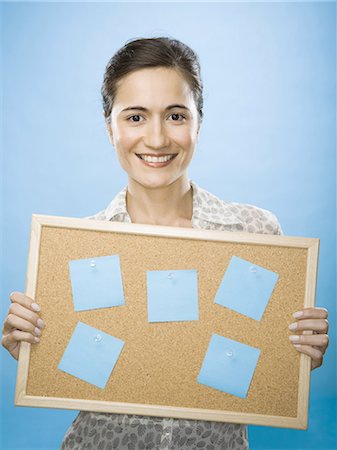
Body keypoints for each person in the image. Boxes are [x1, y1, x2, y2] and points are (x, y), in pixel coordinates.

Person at [2, 37, 329, 450]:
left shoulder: (255, 234)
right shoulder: (74, 251)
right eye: (135, 117)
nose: (156, 139)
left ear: (198, 123)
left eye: (175, 115)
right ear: (110, 128)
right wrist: (35, 351)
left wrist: (297, 356)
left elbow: (264, 368)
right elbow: (73, 366)